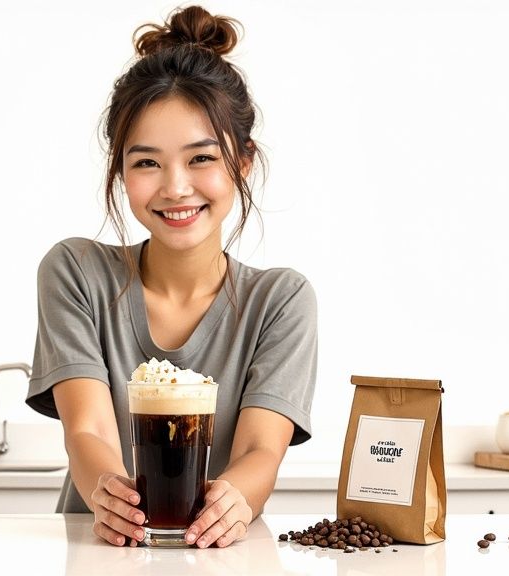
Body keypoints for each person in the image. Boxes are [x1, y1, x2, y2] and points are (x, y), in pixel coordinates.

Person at [25, 5, 317, 549]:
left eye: (201, 157)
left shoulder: (280, 300)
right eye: (146, 163)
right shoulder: (75, 273)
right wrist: (110, 494)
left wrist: (233, 499)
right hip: (102, 553)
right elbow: (86, 431)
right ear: (120, 171)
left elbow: (261, 452)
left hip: (215, 555)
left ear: (243, 161)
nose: (176, 188)